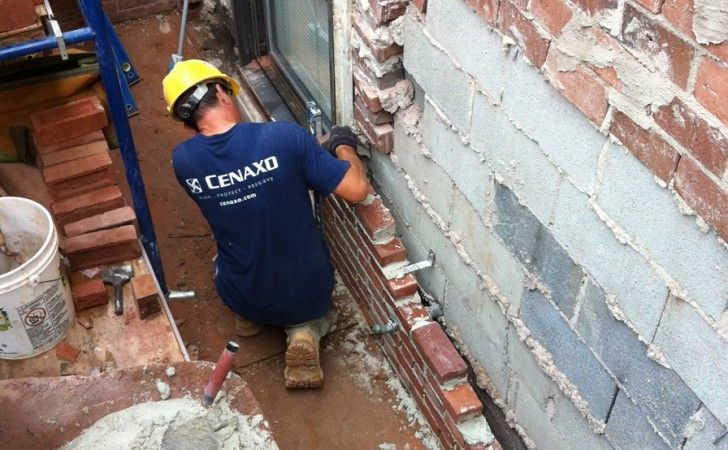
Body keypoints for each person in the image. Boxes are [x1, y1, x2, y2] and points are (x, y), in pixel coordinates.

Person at [162, 60, 369, 389]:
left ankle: (250, 318)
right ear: (221, 92)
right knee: (308, 307)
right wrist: (342, 145)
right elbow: (356, 190)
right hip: (304, 293)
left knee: (233, 252)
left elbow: (245, 172)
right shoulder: (284, 138)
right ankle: (304, 332)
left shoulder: (183, 161)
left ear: (187, 121)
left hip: (241, 290)